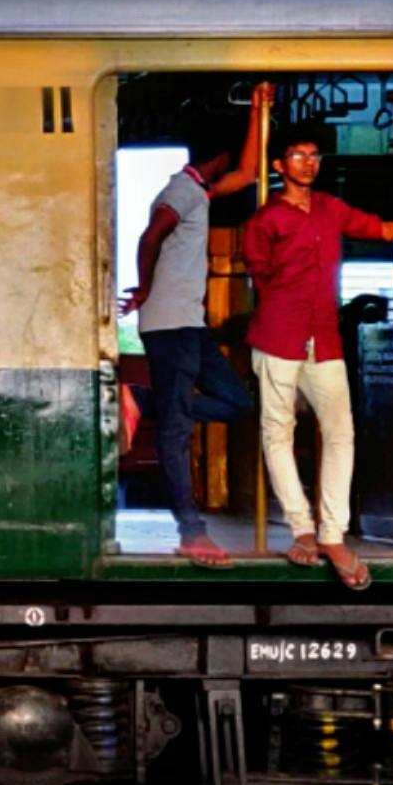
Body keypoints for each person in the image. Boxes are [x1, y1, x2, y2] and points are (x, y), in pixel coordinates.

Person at [237, 127, 393, 590]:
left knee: (341, 432)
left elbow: (377, 229)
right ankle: (301, 529)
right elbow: (257, 275)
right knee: (277, 432)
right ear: (279, 166)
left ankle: (332, 535)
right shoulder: (264, 220)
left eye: (314, 156)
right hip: (278, 334)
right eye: (298, 156)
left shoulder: (330, 209)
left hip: (324, 337)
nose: (308, 163)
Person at [124, 86, 271, 566]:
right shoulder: (179, 192)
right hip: (170, 324)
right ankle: (192, 530)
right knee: (175, 432)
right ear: (218, 155)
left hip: (189, 324)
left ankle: (144, 398)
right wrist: (144, 289)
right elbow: (151, 236)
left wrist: (257, 111)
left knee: (235, 401)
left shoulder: (199, 191)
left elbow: (248, 173)